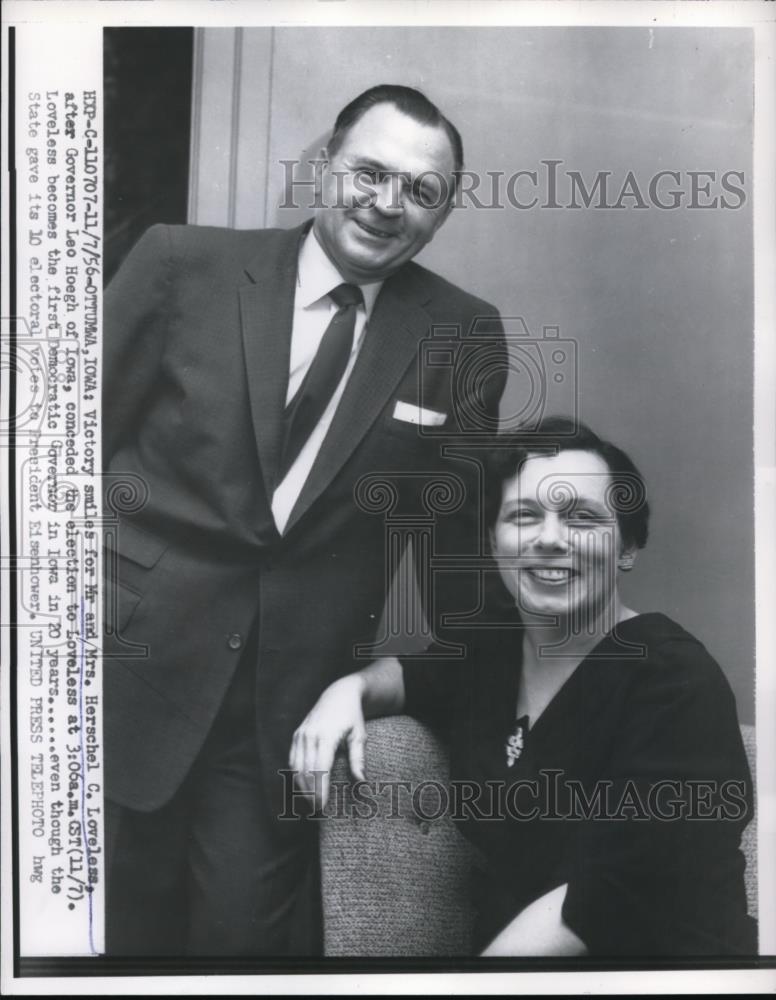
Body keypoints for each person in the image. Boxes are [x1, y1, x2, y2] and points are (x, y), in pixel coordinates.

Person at [102, 84, 507, 956]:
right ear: (324, 166)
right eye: (368, 173)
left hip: (283, 724)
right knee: (73, 937)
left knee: (243, 955)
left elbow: (458, 568)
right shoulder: (180, 264)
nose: (387, 205)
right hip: (118, 671)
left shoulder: (463, 336)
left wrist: (368, 683)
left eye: (422, 192)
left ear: (442, 215)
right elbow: (53, 460)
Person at [292, 417, 757, 956]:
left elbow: (607, 896)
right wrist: (346, 691)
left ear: (627, 549)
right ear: (494, 542)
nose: (550, 538)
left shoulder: (675, 680)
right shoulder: (491, 653)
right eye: (524, 516)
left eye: (582, 518)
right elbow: (408, 677)